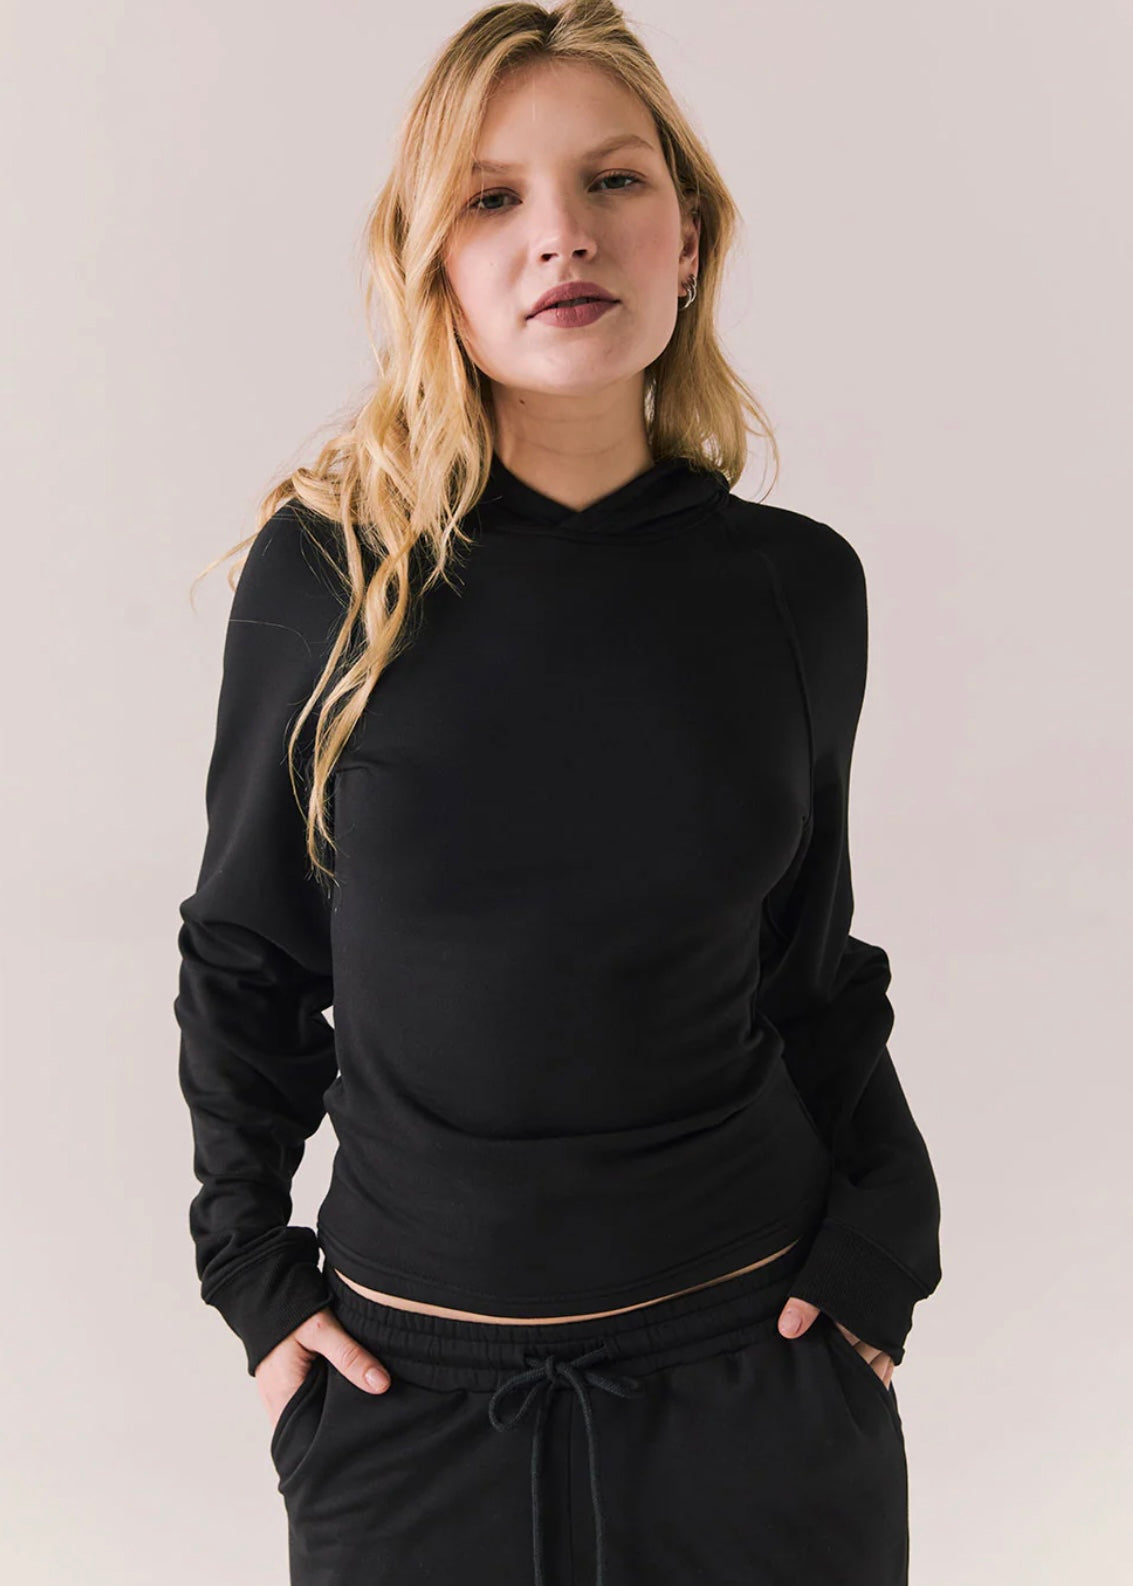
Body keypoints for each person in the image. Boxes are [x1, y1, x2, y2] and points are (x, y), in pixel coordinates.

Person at [174, 4, 943, 1582]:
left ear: (686, 238)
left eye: (611, 180)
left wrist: (886, 1247)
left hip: (759, 1375)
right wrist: (254, 1278)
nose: (561, 235)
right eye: (493, 196)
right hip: (410, 1406)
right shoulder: (327, 578)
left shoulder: (793, 589)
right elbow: (248, 956)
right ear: (432, 264)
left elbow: (808, 969)